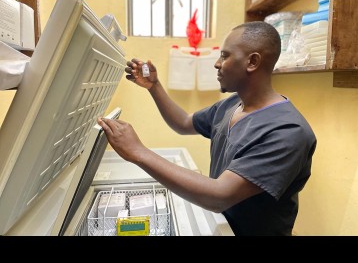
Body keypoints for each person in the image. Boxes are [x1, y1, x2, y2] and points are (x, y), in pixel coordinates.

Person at [97, 21, 317, 236]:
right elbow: (183, 123)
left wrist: (138, 152)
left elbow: (219, 195)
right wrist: (154, 86)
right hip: (221, 225)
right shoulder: (232, 105)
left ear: (252, 62)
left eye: (225, 55)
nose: (217, 64)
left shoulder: (287, 132)